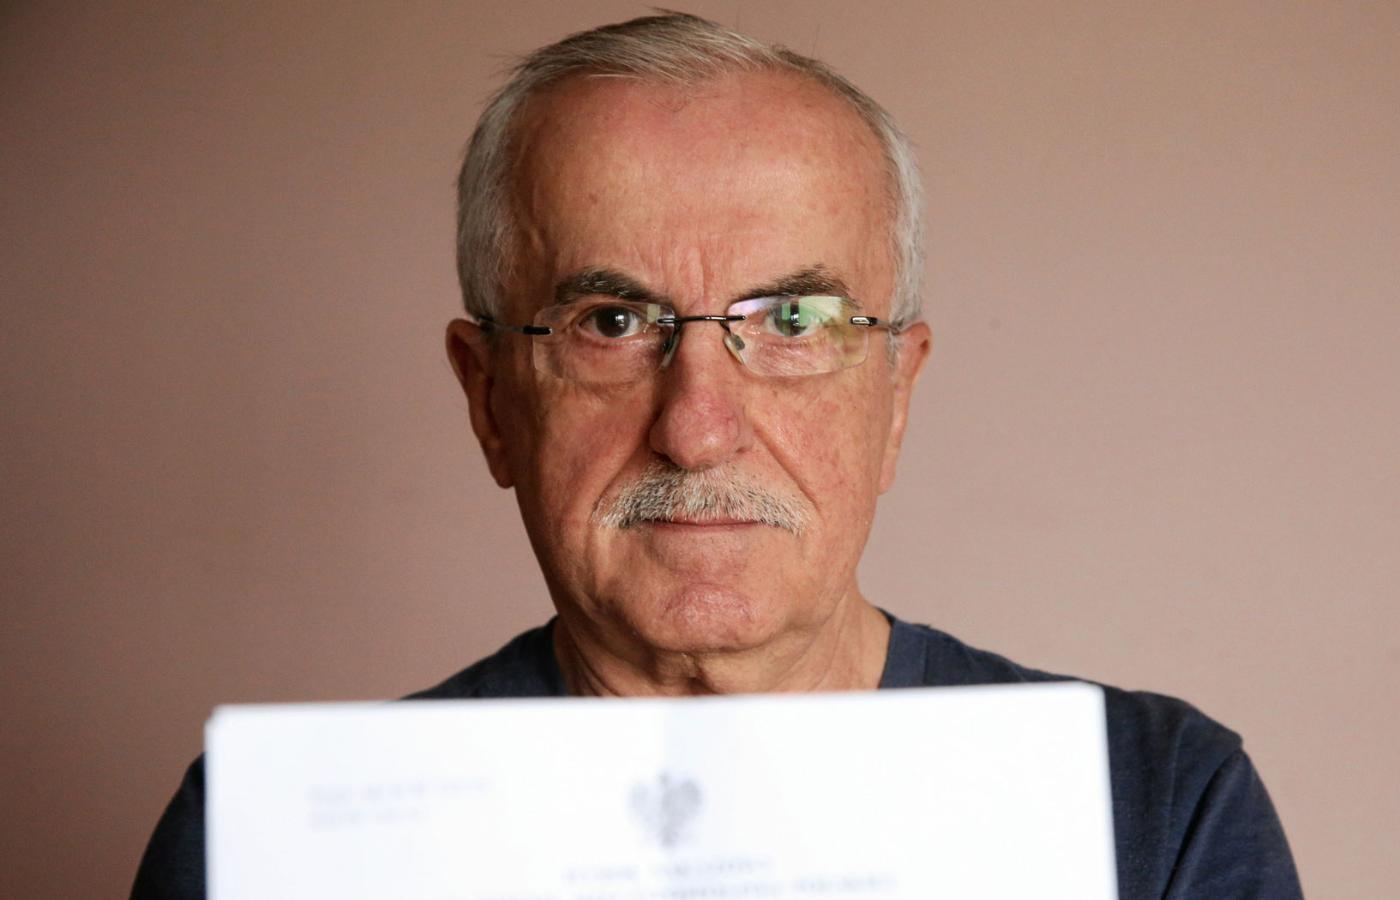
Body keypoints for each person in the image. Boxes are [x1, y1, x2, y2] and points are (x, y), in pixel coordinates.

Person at [132, 13, 1301, 899]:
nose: (696, 429)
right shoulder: (271, 844)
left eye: (792, 321)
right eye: (609, 322)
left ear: (895, 394)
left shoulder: (1156, 811)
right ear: (488, 399)